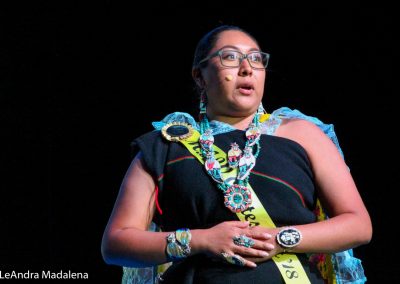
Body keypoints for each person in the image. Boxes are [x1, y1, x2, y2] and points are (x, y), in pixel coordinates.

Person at [101, 25, 372, 283]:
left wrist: (278, 239)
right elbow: (116, 242)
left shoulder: (303, 134)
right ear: (200, 75)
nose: (247, 69)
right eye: (230, 57)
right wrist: (202, 240)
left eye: (256, 59)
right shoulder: (166, 145)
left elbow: (357, 224)